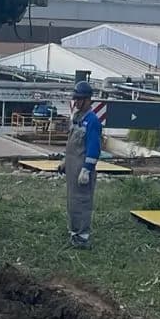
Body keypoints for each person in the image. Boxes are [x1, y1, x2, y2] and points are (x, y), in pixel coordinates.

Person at [65, 80, 103, 248]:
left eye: (80, 99)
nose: (77, 102)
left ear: (88, 100)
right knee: (73, 202)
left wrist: (87, 170)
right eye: (76, 99)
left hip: (82, 170)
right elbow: (71, 143)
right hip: (72, 168)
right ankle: (74, 232)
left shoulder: (93, 121)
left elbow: (94, 148)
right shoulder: (77, 118)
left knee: (83, 202)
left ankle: (83, 237)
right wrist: (64, 161)